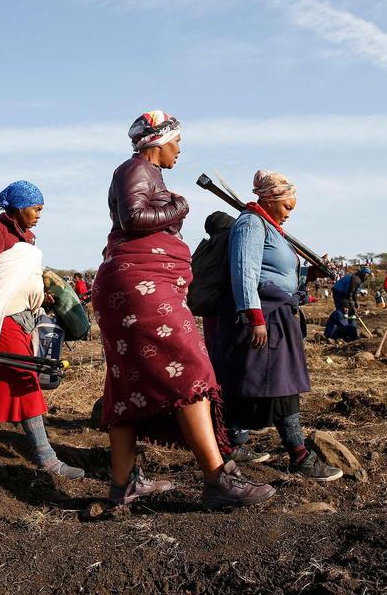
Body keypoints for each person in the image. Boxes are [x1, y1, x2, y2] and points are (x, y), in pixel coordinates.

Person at [93, 111, 276, 509]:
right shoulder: (135, 168)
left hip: (133, 286)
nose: (180, 149)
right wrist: (179, 206)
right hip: (139, 287)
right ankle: (216, 478)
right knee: (190, 367)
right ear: (159, 141)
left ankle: (122, 486)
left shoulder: (145, 173)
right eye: (177, 141)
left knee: (127, 384)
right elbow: (133, 217)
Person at [212, 170, 342, 482]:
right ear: (270, 200)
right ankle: (299, 455)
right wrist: (254, 318)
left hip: (275, 314)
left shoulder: (270, 228)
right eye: (287, 207)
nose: (289, 214)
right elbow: (244, 272)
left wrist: (309, 274)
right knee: (280, 386)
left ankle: (233, 444)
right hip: (262, 316)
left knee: (254, 383)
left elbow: (277, 272)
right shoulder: (251, 224)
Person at [0, 180, 83, 479]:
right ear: (19, 207)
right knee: (23, 382)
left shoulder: (25, 237)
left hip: (22, 319)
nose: (39, 214)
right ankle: (46, 458)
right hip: (0, 321)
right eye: (35, 209)